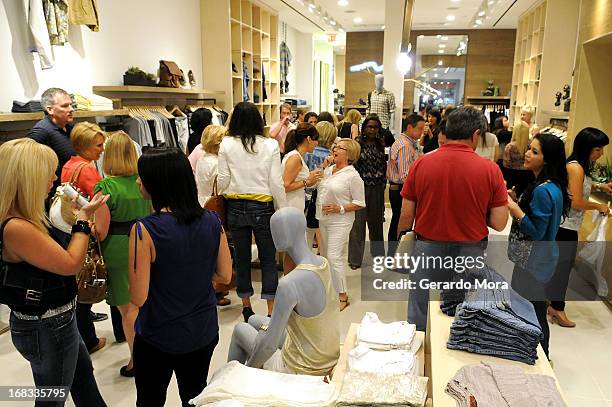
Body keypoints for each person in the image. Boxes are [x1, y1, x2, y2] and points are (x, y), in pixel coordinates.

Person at [0, 138, 108, 407]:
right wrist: (82, 219)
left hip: (55, 320)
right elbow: (70, 262)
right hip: (48, 325)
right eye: (48, 170)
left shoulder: (24, 216)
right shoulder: (17, 226)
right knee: (52, 398)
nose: (54, 177)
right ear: (29, 177)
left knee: (83, 381)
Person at [129, 148, 232, 407]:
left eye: (142, 176)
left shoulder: (144, 230)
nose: (138, 181)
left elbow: (138, 297)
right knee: (195, 396)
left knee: (150, 400)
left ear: (157, 182)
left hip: (158, 334)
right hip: (202, 330)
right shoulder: (212, 220)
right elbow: (225, 274)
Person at [398, 106, 509, 330]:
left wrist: (401, 238)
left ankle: (417, 342)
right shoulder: (490, 170)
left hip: (427, 242)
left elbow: (406, 213)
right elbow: (499, 222)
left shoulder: (422, 163)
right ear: (476, 134)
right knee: (463, 302)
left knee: (419, 298)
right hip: (470, 246)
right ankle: (455, 344)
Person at [227, 207, 340, 375]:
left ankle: (234, 380)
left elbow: (269, 346)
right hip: (326, 354)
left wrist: (249, 370)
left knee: (240, 330)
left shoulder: (289, 284)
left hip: (303, 367)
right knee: (253, 320)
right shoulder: (323, 262)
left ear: (280, 234)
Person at [218, 102, 287, 322]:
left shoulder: (227, 144)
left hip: (235, 206)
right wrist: (282, 208)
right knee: (268, 258)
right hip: (263, 207)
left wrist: (225, 193)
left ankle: (246, 306)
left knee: (242, 257)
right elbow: (275, 181)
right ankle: (270, 308)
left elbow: (223, 179)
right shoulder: (270, 145)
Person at [93, 131, 151, 377]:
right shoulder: (144, 181)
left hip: (117, 249)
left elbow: (101, 231)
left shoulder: (105, 187)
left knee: (128, 310)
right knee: (144, 303)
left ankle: (137, 361)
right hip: (144, 242)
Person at [508, 133, 571, 359]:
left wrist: (513, 209)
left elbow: (536, 230)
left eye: (535, 152)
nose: (527, 154)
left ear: (547, 159)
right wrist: (517, 201)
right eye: (529, 148)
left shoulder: (544, 189)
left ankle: (541, 357)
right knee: (532, 308)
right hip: (537, 258)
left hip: (533, 259)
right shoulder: (548, 185)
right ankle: (536, 354)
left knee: (532, 310)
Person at [548, 128, 611, 328]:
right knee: (562, 269)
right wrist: (598, 205)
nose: (601, 154)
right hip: (565, 226)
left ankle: (551, 303)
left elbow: (576, 187)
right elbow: (575, 200)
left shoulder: (578, 166)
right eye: (598, 149)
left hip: (566, 225)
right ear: (587, 148)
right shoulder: (576, 168)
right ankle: (557, 308)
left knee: (559, 267)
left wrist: (599, 187)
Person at [61, 121, 107, 354]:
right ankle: (88, 337)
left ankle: (83, 334)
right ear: (86, 145)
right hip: (85, 228)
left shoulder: (69, 165)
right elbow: (96, 203)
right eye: (98, 145)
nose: (101, 150)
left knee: (78, 281)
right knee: (88, 278)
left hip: (69, 227)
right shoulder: (88, 169)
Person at [317, 139, 365, 310]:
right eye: (335, 146)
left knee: (333, 256)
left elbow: (360, 202)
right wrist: (322, 168)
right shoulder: (330, 170)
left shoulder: (353, 176)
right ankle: (328, 291)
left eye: (340, 148)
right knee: (324, 256)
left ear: (349, 154)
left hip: (341, 221)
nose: (335, 149)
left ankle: (343, 295)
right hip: (324, 219)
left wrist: (340, 208)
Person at [281, 123, 323, 273]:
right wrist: (307, 181)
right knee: (293, 248)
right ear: (308, 139)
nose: (317, 143)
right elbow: (285, 185)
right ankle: (290, 282)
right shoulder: (294, 158)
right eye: (316, 139)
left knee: (293, 249)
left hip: (295, 205)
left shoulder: (297, 156)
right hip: (291, 207)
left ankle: (290, 281)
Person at [349, 115, 387, 269]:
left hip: (377, 189)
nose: (372, 130)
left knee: (376, 224)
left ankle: (378, 257)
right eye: (370, 127)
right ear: (364, 128)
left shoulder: (380, 144)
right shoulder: (357, 144)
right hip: (360, 188)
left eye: (375, 127)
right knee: (358, 225)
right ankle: (355, 260)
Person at [387, 114, 425, 257]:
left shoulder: (403, 142)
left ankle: (394, 255)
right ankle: (396, 255)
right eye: (419, 129)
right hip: (401, 189)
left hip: (397, 189)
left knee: (397, 221)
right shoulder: (406, 146)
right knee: (401, 223)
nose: (422, 132)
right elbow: (405, 176)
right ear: (410, 127)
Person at [28, 87, 76, 199]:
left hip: (70, 194)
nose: (71, 109)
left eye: (71, 104)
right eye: (65, 106)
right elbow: (23, 161)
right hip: (53, 196)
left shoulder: (70, 127)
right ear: (50, 110)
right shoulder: (42, 131)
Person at [304, 122, 337, 252]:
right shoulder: (331, 157)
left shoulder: (307, 153)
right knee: (324, 234)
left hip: (306, 194)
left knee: (307, 232)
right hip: (324, 197)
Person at [195, 125, 228, 207]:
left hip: (201, 201)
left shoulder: (202, 159)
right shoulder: (217, 163)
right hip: (214, 205)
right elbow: (222, 189)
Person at [503, 121, 535, 198]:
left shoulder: (509, 147)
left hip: (512, 176)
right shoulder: (532, 145)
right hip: (528, 175)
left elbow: (506, 164)